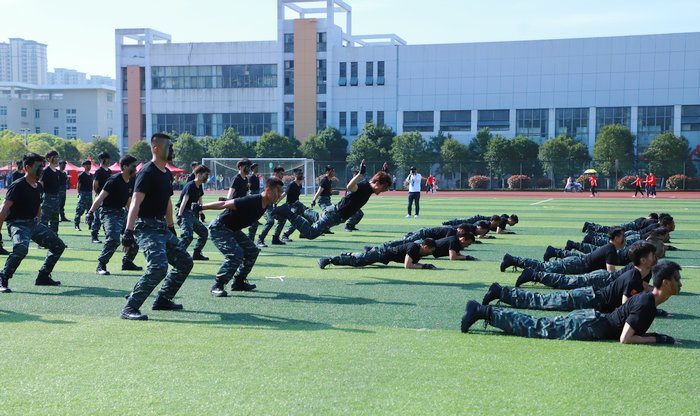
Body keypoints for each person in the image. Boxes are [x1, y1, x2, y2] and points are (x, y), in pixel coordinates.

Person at [461, 260, 682, 345]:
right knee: (535, 327)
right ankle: (482, 311)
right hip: (587, 325)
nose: (680, 283)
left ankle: (484, 310)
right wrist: (658, 339)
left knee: (537, 324)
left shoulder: (648, 302)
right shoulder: (646, 303)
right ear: (665, 282)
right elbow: (626, 338)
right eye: (677, 279)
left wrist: (655, 337)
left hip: (591, 322)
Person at [119, 133, 193, 320]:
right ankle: (129, 308)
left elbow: (167, 201)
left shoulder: (166, 172)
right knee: (158, 267)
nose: (173, 150)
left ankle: (162, 299)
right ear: (157, 149)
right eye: (170, 146)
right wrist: (128, 232)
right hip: (146, 227)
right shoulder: (147, 171)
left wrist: (171, 227)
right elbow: (135, 202)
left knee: (185, 262)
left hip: (161, 227)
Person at [483, 241, 657, 313]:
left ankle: (516, 282)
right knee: (556, 281)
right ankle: (524, 272)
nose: (656, 257)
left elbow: (641, 290)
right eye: (652, 255)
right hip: (597, 281)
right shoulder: (617, 256)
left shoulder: (643, 271)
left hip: (595, 288)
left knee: (555, 287)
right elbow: (627, 306)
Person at [192, 177, 284, 297]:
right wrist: (200, 207)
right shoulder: (252, 200)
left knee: (252, 251)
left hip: (233, 230)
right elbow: (224, 204)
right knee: (236, 254)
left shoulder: (266, 204)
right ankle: (217, 285)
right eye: (278, 192)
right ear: (268, 191)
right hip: (219, 228)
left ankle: (239, 282)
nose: (280, 195)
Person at [273, 161, 391, 240]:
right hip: (334, 214)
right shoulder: (365, 186)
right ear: (377, 183)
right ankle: (287, 212)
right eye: (384, 187)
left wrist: (384, 171)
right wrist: (360, 174)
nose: (383, 190)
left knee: (317, 218)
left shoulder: (370, 188)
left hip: (333, 213)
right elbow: (350, 187)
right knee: (310, 234)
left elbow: (378, 179)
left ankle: (301, 208)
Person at [0, 153, 66, 293]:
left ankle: (43, 276)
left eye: (42, 166)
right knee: (21, 249)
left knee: (58, 246)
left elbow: (38, 206)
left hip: (33, 224)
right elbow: (4, 208)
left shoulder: (38, 186)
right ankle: (3, 278)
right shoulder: (17, 186)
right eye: (38, 166)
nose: (42, 169)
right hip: (18, 224)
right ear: (28, 168)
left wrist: (39, 222)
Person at [86, 155, 142, 275]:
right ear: (125, 167)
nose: (136, 168)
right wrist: (90, 212)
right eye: (133, 166)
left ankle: (127, 262)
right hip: (108, 212)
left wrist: (133, 219)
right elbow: (100, 196)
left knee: (136, 236)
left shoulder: (130, 180)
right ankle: (101, 265)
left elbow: (128, 201)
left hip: (121, 212)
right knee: (113, 239)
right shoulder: (114, 180)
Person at [500, 227, 626, 274]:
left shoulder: (610, 248)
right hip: (575, 265)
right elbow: (611, 272)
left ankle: (514, 260)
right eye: (622, 236)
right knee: (544, 267)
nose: (624, 238)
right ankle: (513, 260)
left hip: (577, 264)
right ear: (615, 238)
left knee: (544, 267)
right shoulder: (611, 250)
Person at [318, 238, 437, 269]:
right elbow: (408, 265)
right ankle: (328, 260)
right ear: (425, 247)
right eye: (430, 251)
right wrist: (425, 266)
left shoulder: (419, 252)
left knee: (361, 258)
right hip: (382, 253)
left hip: (385, 256)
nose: (431, 253)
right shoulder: (414, 247)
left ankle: (347, 254)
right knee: (358, 262)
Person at [176, 164, 210, 261]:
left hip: (192, 213)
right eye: (205, 175)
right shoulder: (190, 185)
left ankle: (197, 253)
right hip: (184, 212)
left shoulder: (199, 186)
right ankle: (178, 255)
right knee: (188, 236)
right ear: (198, 175)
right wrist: (179, 216)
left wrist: (201, 213)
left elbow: (200, 199)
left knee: (204, 232)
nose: (207, 177)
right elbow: (184, 201)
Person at [254, 166, 286, 247]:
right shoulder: (271, 182)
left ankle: (275, 238)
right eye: (281, 174)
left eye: (283, 174)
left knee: (282, 219)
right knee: (270, 221)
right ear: (276, 174)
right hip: (265, 206)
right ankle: (260, 240)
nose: (282, 176)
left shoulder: (278, 183)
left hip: (272, 207)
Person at [276, 170, 305, 244]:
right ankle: (283, 236)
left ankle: (288, 235)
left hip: (297, 206)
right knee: (286, 221)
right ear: (295, 175)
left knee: (297, 222)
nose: (301, 175)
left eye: (301, 174)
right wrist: (276, 202)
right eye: (299, 174)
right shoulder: (292, 184)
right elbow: (284, 194)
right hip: (290, 206)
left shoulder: (300, 185)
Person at [91, 152, 112, 244]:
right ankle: (94, 235)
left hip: (108, 197)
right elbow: (95, 184)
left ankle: (108, 235)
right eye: (106, 159)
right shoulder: (99, 171)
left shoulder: (109, 171)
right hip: (100, 196)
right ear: (101, 160)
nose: (108, 161)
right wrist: (99, 194)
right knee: (97, 217)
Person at [39, 150, 61, 234]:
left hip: (56, 198)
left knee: (55, 221)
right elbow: (41, 184)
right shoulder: (46, 170)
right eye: (54, 157)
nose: (56, 159)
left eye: (56, 157)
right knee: (44, 220)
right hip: (48, 198)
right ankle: (41, 242)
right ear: (48, 159)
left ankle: (54, 240)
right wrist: (41, 197)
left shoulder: (57, 171)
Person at [74, 160, 94, 231]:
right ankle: (76, 225)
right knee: (80, 210)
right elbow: (78, 185)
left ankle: (90, 225)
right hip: (83, 194)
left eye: (89, 165)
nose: (89, 166)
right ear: (84, 166)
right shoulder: (81, 175)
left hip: (89, 194)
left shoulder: (91, 175)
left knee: (90, 210)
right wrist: (79, 193)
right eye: (87, 165)